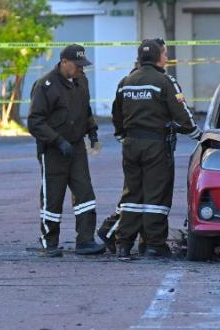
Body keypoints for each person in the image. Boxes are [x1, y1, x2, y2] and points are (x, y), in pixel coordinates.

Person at [112, 39, 202, 260]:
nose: (166, 57)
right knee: (156, 195)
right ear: (157, 57)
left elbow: (117, 115)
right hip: (156, 147)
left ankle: (123, 245)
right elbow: (182, 113)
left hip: (131, 146)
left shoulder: (126, 81)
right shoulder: (165, 81)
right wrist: (198, 136)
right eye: (164, 53)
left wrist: (123, 135)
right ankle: (154, 245)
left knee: (132, 195)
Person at [28, 44, 105, 257]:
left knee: (85, 193)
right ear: (64, 63)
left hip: (77, 147)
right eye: (77, 65)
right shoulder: (46, 85)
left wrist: (92, 132)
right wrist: (57, 141)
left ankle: (85, 240)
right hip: (53, 150)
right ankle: (49, 242)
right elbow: (35, 122)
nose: (81, 69)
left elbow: (85, 109)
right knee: (53, 197)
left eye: (83, 66)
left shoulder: (82, 81)